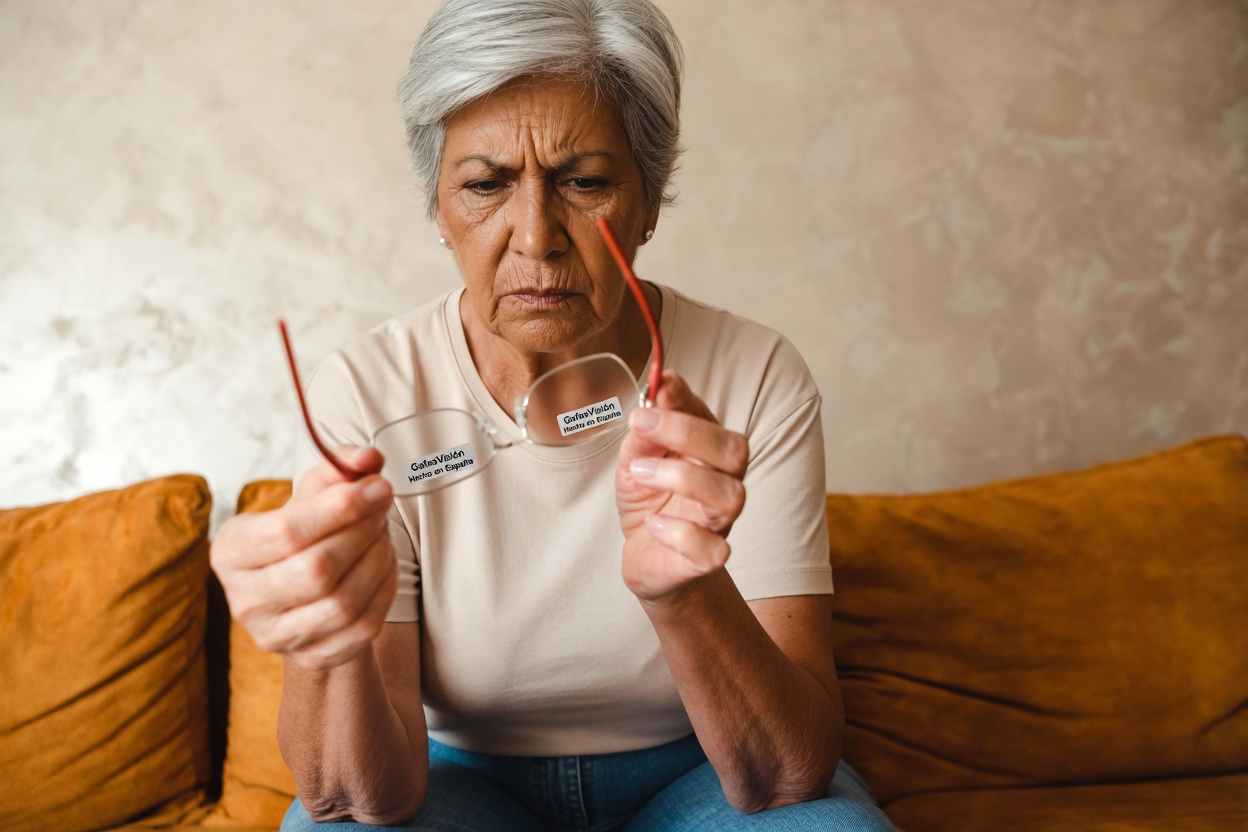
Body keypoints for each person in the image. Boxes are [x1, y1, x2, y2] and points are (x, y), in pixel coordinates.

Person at [210, 1, 897, 829]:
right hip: (459, 778)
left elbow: (784, 776)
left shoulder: (753, 374)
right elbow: (358, 800)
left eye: (585, 182)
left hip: (698, 766)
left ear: (649, 201)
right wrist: (331, 641)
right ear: (438, 208)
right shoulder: (367, 389)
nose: (536, 238)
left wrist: (684, 593)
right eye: (485, 184)